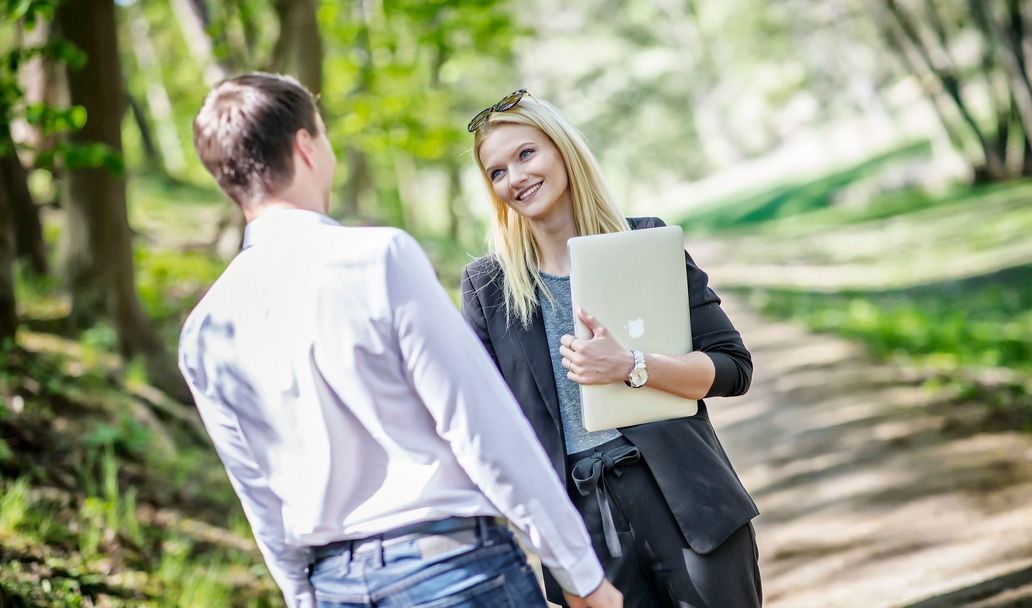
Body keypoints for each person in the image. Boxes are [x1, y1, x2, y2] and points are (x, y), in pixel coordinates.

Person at [179, 73, 622, 608]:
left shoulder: (204, 329)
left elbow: (256, 492)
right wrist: (580, 574)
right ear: (305, 146)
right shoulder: (377, 259)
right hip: (451, 569)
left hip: (333, 585)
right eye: (322, 132)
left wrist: (303, 597)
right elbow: (481, 427)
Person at [460, 90, 762, 608]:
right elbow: (482, 423)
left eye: (526, 154)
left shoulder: (648, 244)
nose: (515, 177)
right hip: (585, 530)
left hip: (689, 503)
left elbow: (733, 368)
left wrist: (632, 367)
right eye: (497, 171)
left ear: (563, 151)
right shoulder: (487, 290)